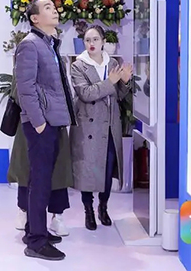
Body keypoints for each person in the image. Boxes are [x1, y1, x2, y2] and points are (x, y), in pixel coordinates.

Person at [14, 0, 76, 261]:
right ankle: (36, 242)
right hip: (41, 124)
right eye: (47, 8)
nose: (55, 10)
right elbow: (25, 87)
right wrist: (39, 122)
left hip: (52, 121)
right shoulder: (30, 45)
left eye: (54, 6)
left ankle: (34, 230)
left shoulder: (48, 44)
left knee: (42, 181)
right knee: (39, 183)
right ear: (35, 18)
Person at [69, 25, 133, 230]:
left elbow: (118, 95)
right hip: (88, 127)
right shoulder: (78, 66)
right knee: (88, 170)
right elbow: (86, 94)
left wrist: (125, 82)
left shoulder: (112, 63)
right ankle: (88, 210)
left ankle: (103, 207)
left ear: (103, 41)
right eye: (88, 40)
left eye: (95, 39)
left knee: (107, 169)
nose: (91, 44)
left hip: (109, 126)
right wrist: (110, 82)